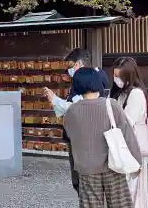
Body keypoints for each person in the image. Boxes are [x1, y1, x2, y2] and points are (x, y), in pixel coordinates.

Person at [64, 67, 142, 208]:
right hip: (113, 166)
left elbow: (71, 143)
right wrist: (137, 161)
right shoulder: (111, 105)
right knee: (120, 205)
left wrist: (75, 175)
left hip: (87, 169)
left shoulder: (71, 112)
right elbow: (128, 136)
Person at [42, 48, 109, 194]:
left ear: (78, 64)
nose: (68, 70)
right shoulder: (97, 75)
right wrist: (55, 100)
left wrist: (55, 100)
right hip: (85, 134)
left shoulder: (89, 79)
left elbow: (78, 107)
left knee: (84, 178)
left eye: (69, 66)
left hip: (85, 135)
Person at [110, 57, 148, 208]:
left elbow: (125, 122)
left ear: (129, 76)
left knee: (131, 191)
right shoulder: (118, 93)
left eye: (120, 76)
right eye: (114, 76)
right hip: (121, 147)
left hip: (132, 148)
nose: (116, 80)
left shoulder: (136, 94)